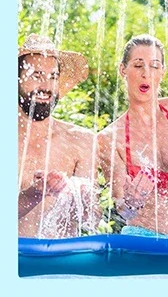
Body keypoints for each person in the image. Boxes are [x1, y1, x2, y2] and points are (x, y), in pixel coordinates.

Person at [97, 35, 168, 238]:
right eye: (138, 65)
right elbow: (122, 208)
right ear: (123, 70)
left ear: (162, 72)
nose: (146, 74)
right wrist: (132, 202)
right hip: (144, 237)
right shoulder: (108, 138)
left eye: (154, 66)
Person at [17, 35, 96, 238]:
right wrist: (34, 194)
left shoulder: (81, 141)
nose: (46, 86)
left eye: (53, 77)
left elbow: (92, 218)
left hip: (61, 264)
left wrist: (81, 199)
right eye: (36, 75)